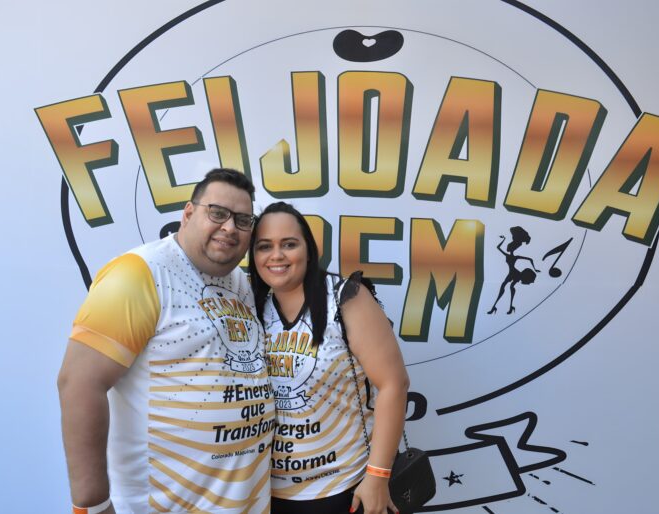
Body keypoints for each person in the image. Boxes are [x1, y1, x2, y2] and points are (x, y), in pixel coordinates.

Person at [57, 169, 275, 514]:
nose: (230, 227)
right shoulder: (139, 272)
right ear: (188, 213)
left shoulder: (242, 283)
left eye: (243, 220)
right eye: (217, 213)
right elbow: (79, 383)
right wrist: (92, 505)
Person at [249, 202, 409, 514]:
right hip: (269, 493)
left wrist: (377, 476)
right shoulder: (252, 306)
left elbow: (394, 384)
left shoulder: (345, 297)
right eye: (264, 246)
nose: (276, 255)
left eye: (289, 244)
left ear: (309, 250)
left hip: (344, 488)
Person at [487, 226, 540, 315]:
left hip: (514, 273)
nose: (509, 249)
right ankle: (504, 307)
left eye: (510, 248)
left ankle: (498, 307)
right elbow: (498, 247)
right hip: (513, 273)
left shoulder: (512, 256)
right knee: (508, 287)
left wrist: (535, 268)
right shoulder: (512, 256)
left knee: (506, 286)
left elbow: (530, 259)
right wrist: (504, 239)